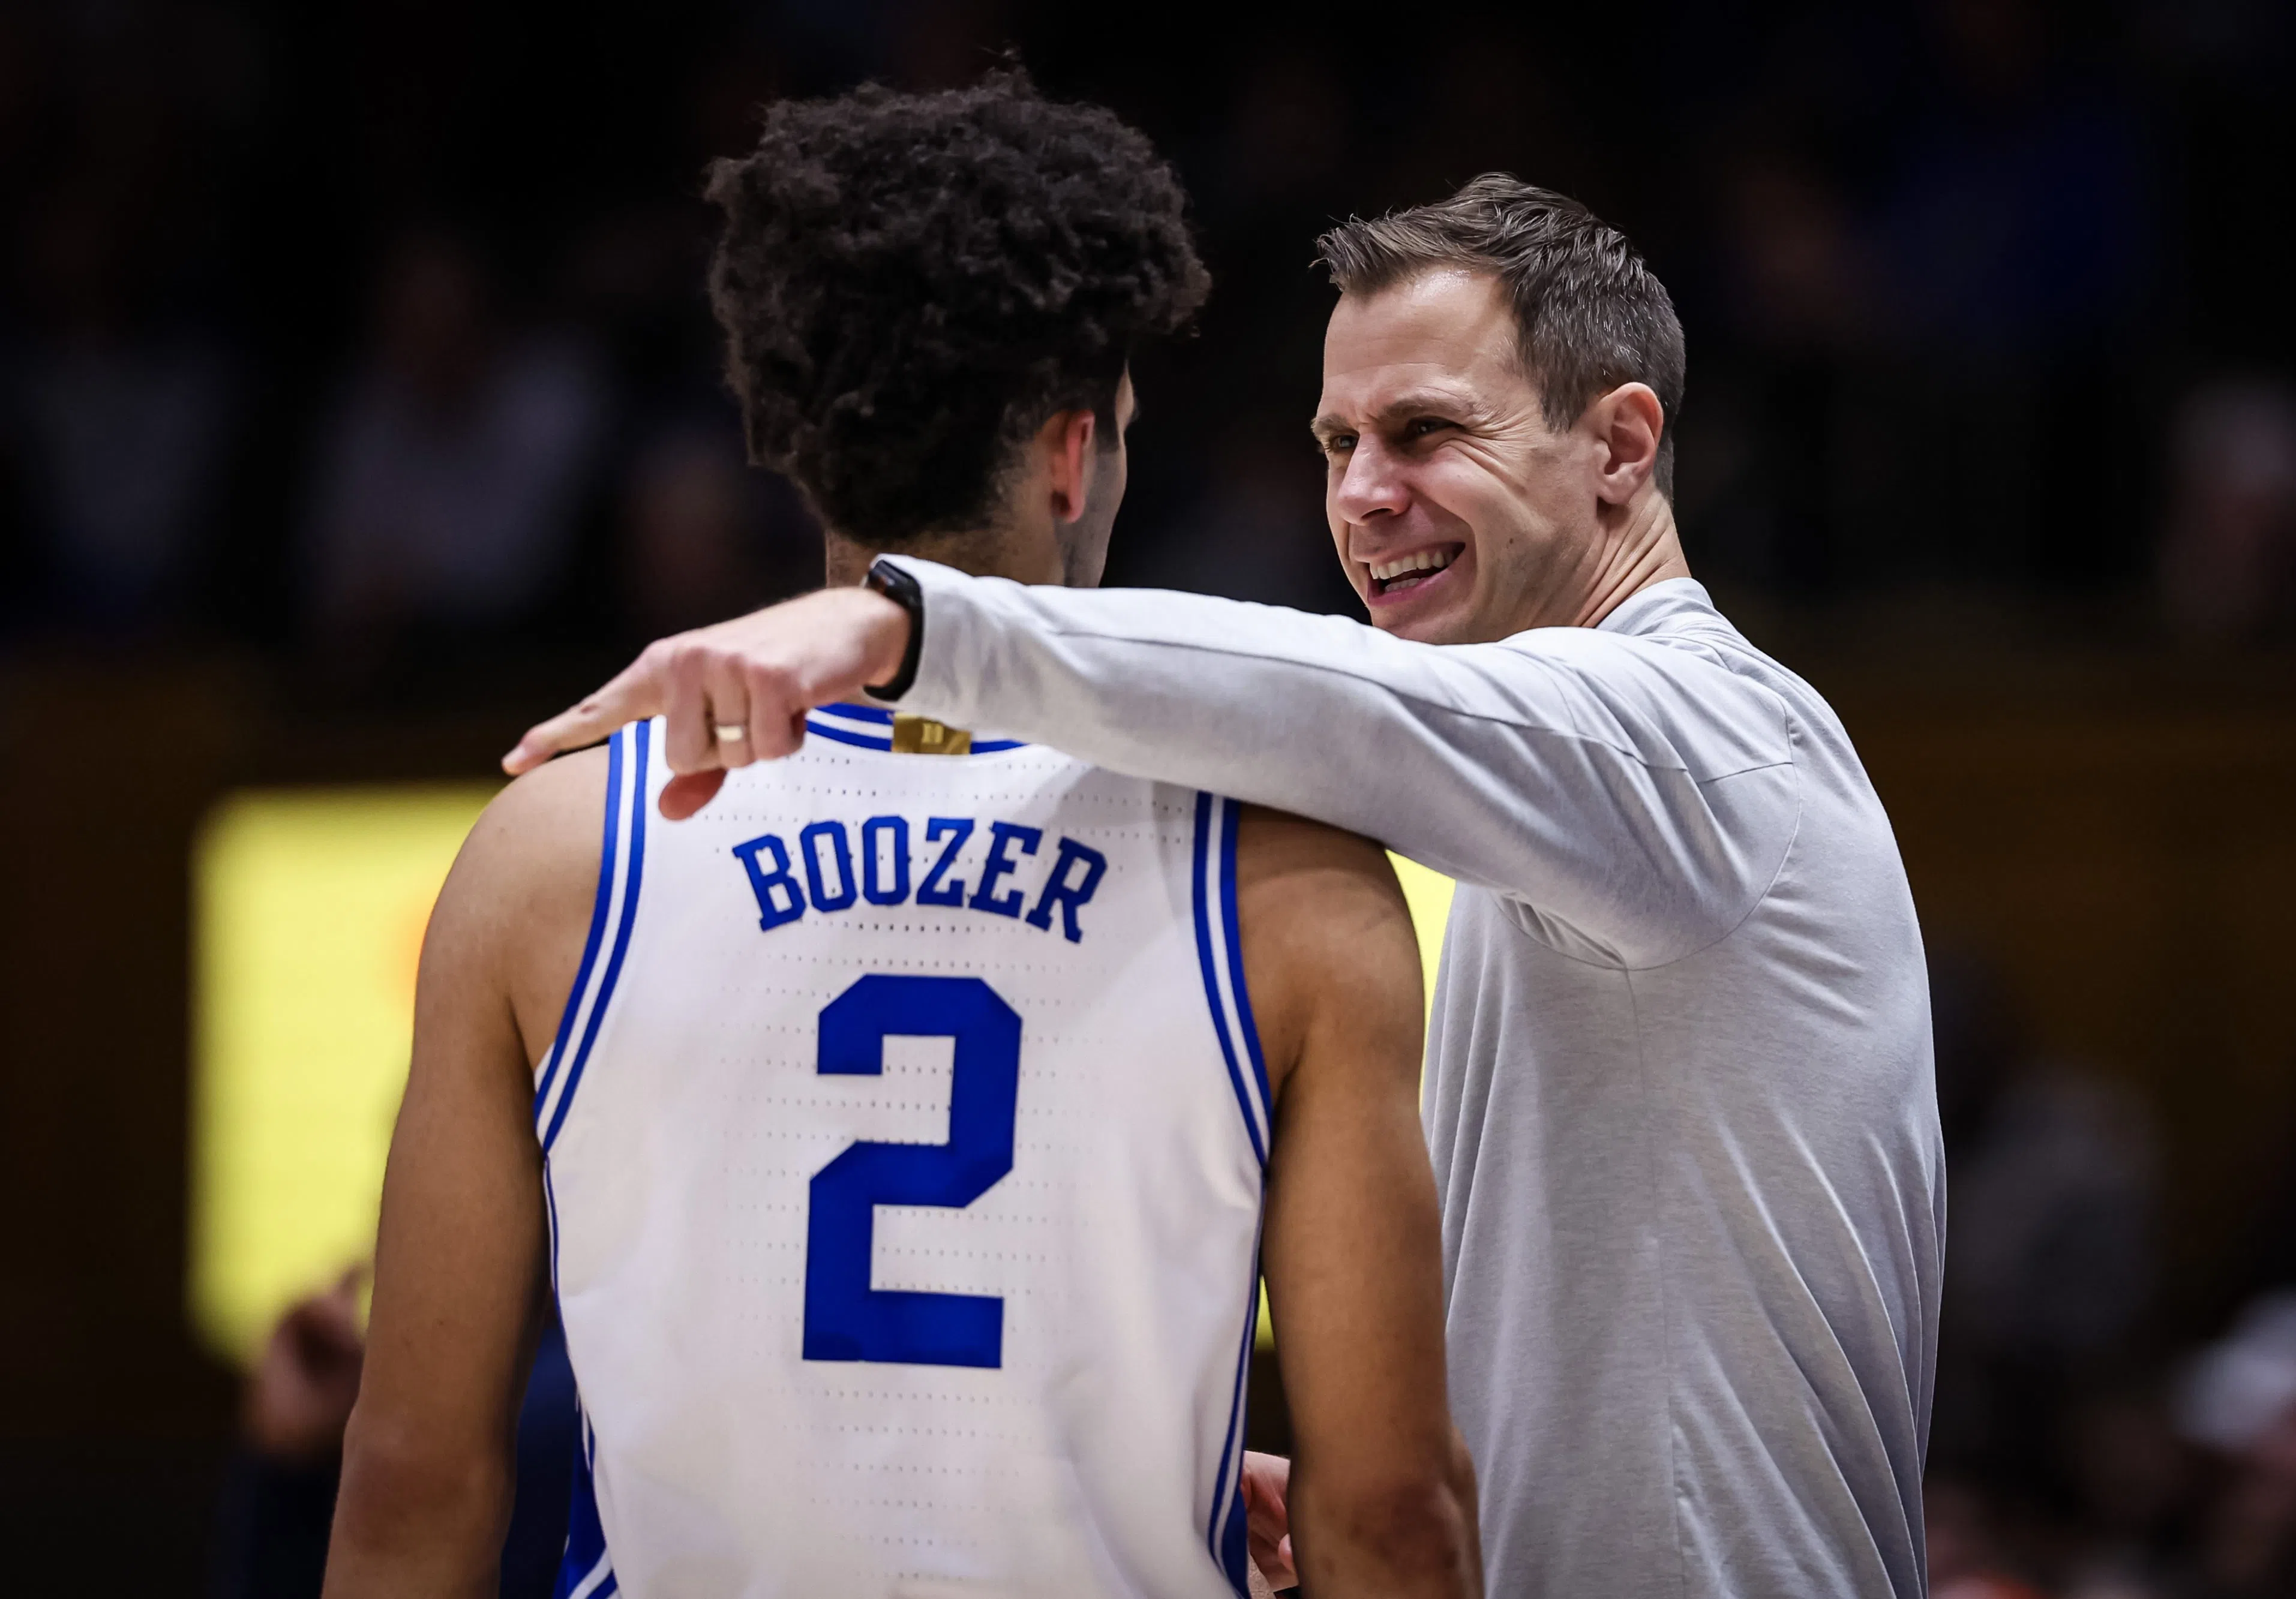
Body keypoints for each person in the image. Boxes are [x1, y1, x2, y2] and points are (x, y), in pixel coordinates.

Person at [512, 173, 1946, 1599]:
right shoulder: (1574, 817)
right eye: (1335, 443)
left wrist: (908, 628)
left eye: (1424, 431)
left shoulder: (1715, 742)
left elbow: (1344, 704)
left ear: (1618, 445)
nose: (1361, 494)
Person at [325, 74, 1478, 1599]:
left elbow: (414, 1479)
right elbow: (1386, 1510)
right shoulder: (1286, 873)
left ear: (799, 437)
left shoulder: (550, 853)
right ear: (1070, 452)